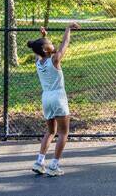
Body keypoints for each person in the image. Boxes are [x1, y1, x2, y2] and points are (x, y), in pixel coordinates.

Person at [27, 22, 80, 176]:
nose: (52, 44)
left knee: (50, 132)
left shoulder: (38, 62)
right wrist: (68, 28)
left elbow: (37, 51)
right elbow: (65, 43)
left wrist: (43, 37)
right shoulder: (55, 60)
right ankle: (54, 166)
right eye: (49, 43)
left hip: (46, 98)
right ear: (45, 50)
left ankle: (39, 162)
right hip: (58, 97)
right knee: (63, 133)